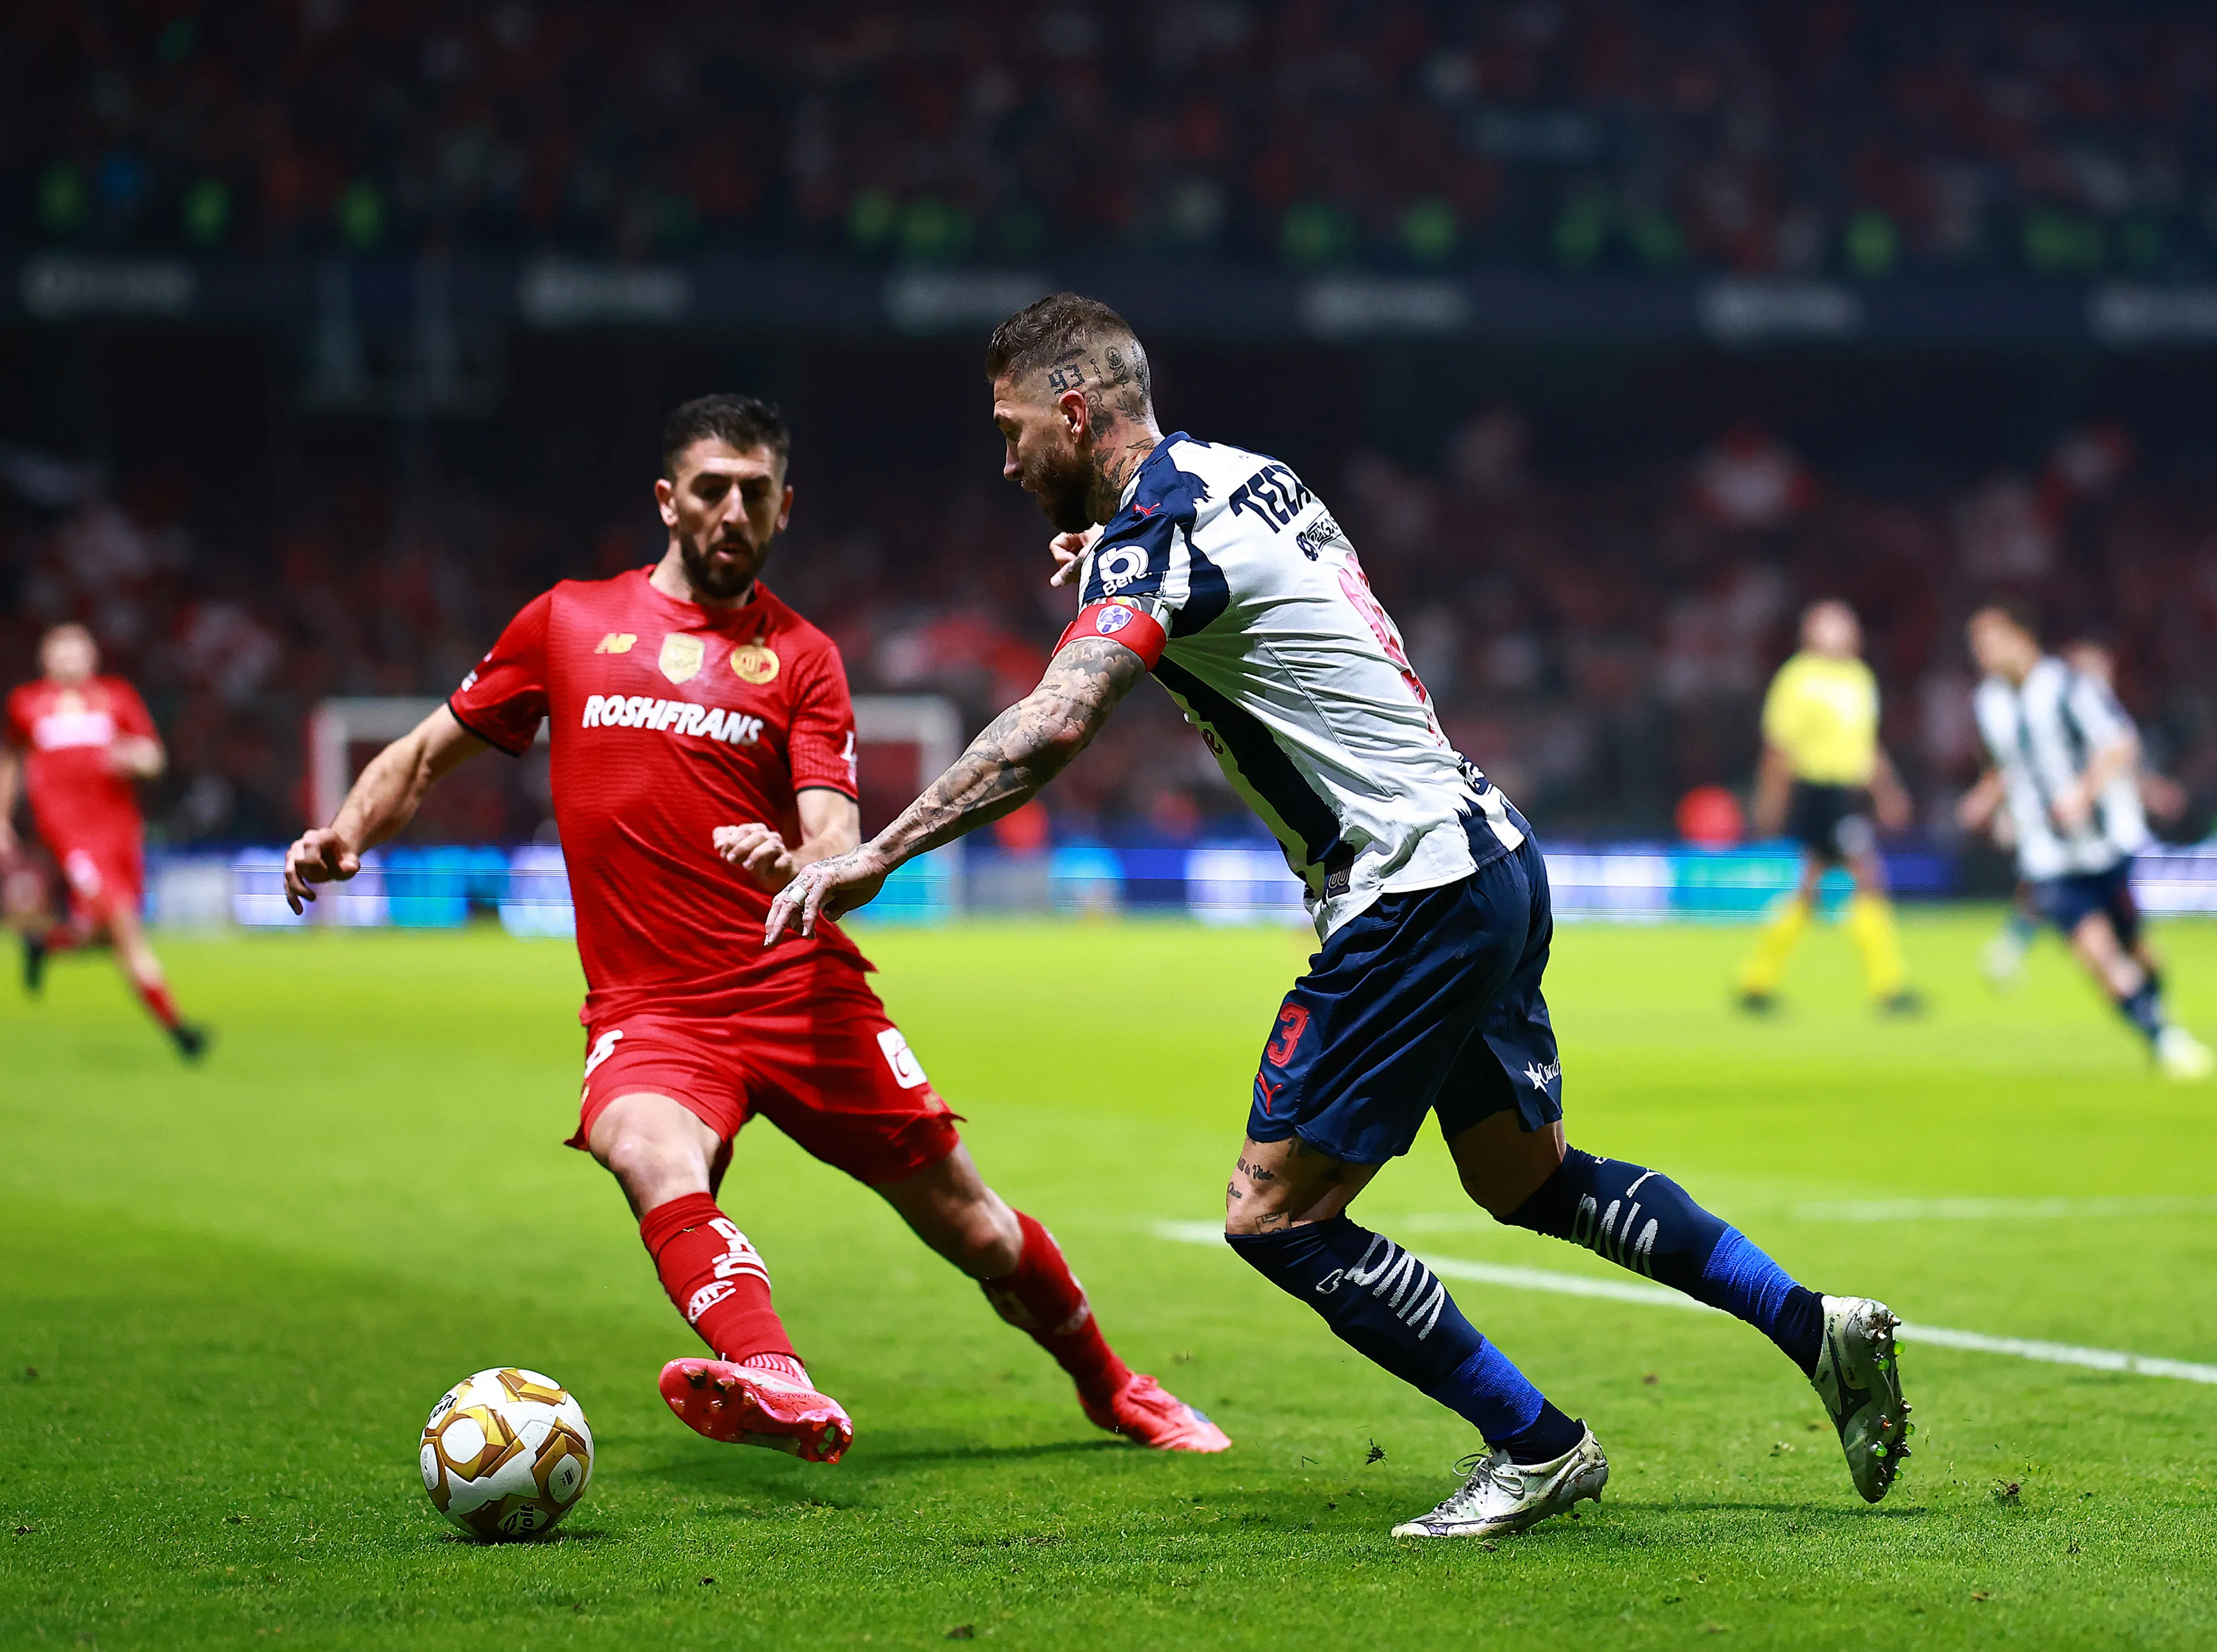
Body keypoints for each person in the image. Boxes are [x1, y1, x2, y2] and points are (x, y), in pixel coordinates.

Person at [767, 294, 1910, 1538]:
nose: (1004, 460)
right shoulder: (1247, 475)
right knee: (1525, 1178)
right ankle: (1813, 1325)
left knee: (1274, 1215)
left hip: (1406, 889)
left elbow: (1052, 723)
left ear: (1075, 408)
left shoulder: (1154, 529)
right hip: (1485, 851)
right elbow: (1226, 588)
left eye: (1011, 427)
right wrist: (1111, 557)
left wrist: (878, 847)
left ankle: (1535, 1445)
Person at [282, 393, 1225, 1465]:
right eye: (711, 488)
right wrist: (345, 832)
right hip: (654, 1008)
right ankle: (775, 1374)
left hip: (799, 989)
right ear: (667, 501)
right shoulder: (567, 623)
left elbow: (837, 835)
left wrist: (802, 861)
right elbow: (418, 754)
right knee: (643, 1145)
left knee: (971, 1221)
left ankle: (1115, 1387)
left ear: (786, 506)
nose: (733, 510)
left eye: (756, 492)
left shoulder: (805, 658)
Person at [1956, 605, 2211, 1078]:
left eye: (1992, 642)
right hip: (2048, 854)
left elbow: (2120, 743)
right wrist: (1984, 798)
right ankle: (2163, 1040)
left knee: (2137, 951)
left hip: (2106, 842)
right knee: (2095, 952)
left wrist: (2084, 791)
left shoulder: (2070, 687)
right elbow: (2005, 764)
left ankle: (2159, 1020)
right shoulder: (1988, 703)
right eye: (1978, 647)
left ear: (2023, 637)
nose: (1984, 655)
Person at [0, 623, 208, 1060]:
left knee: (107, 933)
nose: (69, 658)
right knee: (125, 926)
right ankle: (180, 1030)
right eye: (60, 650)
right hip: (70, 837)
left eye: (77, 650)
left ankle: (44, 945)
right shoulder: (28, 705)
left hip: (121, 832)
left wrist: (135, 758)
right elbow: (8, 760)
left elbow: (153, 755)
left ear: (93, 656)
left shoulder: (116, 697)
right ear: (44, 659)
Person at [1736, 601, 1919, 1015]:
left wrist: (1888, 791)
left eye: (1846, 624)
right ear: (1810, 633)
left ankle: (1756, 980)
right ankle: (1890, 986)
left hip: (1847, 792)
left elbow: (1867, 745)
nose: (1843, 631)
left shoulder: (1859, 678)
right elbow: (1779, 748)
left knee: (1810, 889)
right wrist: (1770, 802)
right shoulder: (1799, 678)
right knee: (1868, 878)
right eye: (1831, 625)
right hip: (1819, 791)